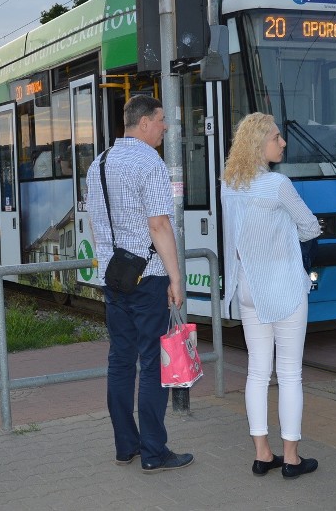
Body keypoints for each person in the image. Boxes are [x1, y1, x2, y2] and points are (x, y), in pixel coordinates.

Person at [86, 95, 193, 474]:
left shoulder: (98, 164)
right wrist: (176, 277)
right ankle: (153, 452)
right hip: (148, 278)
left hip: (114, 277)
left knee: (120, 362)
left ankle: (125, 446)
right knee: (151, 364)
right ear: (145, 122)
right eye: (162, 120)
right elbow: (159, 225)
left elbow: (97, 224)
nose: (165, 127)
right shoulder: (151, 162)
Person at [220, 112, 321, 479]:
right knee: (290, 374)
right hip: (284, 289)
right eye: (277, 137)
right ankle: (291, 458)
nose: (283, 142)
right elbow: (309, 226)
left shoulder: (229, 184)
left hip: (248, 288)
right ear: (259, 143)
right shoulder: (277, 184)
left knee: (257, 372)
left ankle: (262, 454)